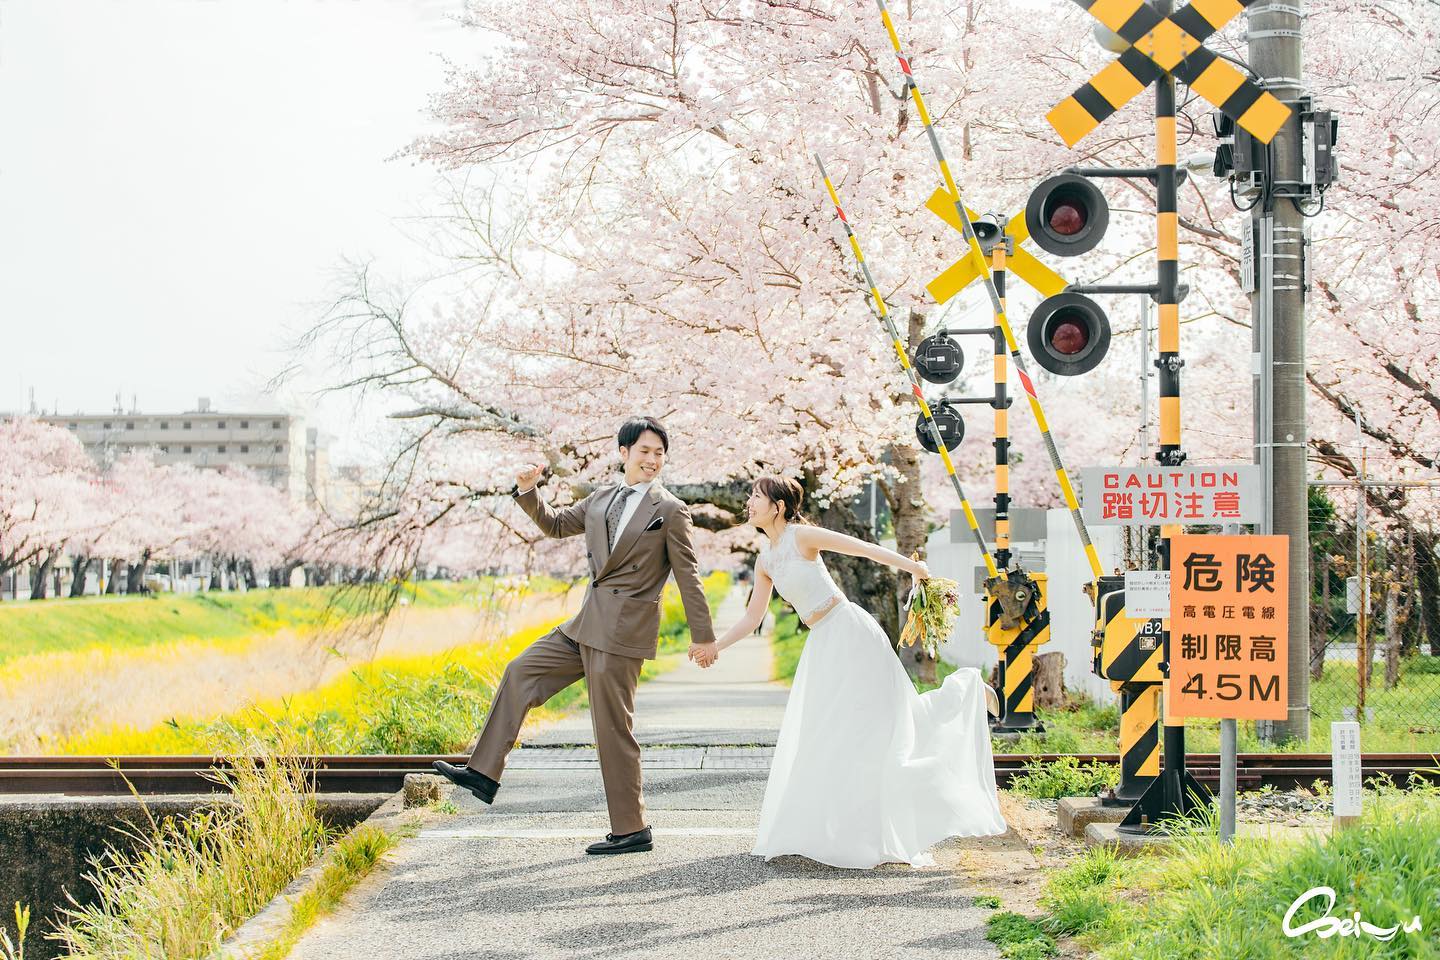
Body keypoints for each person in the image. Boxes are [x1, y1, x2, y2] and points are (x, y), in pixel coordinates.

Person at [433, 416, 718, 856]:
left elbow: (689, 576)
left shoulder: (670, 510)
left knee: (611, 730)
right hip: (585, 623)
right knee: (521, 670)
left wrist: (703, 636)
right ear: (623, 453)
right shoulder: (602, 498)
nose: (652, 460)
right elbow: (554, 525)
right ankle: (484, 773)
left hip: (623, 633)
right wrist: (529, 491)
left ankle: (632, 828)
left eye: (659, 453)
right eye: (644, 451)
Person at [700, 475, 1008, 869]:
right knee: (836, 730)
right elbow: (751, 617)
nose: (749, 502)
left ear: (777, 506)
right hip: (822, 643)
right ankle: (845, 827)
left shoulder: (802, 537)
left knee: (885, 721)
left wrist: (912, 567)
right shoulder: (765, 561)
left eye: (756, 495)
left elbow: (861, 549)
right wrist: (715, 646)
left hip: (849, 631)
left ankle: (965, 690)